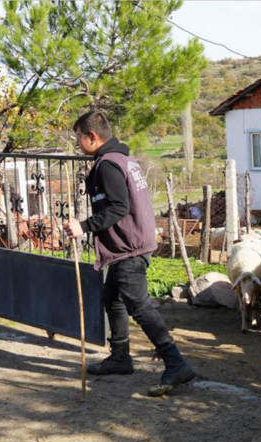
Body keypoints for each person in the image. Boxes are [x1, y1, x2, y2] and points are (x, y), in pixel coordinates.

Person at [64, 110, 196, 397]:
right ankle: (121, 356)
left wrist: (83, 226)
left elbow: (118, 207)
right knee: (112, 298)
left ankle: (176, 363)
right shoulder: (122, 159)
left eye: (79, 137)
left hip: (128, 245)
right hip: (131, 240)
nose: (77, 143)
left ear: (92, 136)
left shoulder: (109, 165)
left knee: (139, 304)